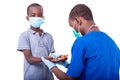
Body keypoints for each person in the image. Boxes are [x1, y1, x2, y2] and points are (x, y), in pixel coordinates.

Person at [41, 4, 120, 80]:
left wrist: (52, 66)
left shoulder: (81, 42)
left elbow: (70, 79)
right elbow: (95, 69)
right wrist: (68, 65)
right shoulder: (113, 44)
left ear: (78, 21)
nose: (74, 30)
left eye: (72, 26)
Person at [17, 3, 69, 80]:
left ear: (43, 17)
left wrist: (59, 59)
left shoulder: (49, 36)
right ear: (27, 18)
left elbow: (52, 56)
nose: (36, 17)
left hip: (49, 77)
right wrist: (45, 58)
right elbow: (29, 59)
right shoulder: (24, 36)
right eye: (33, 15)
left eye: (39, 15)